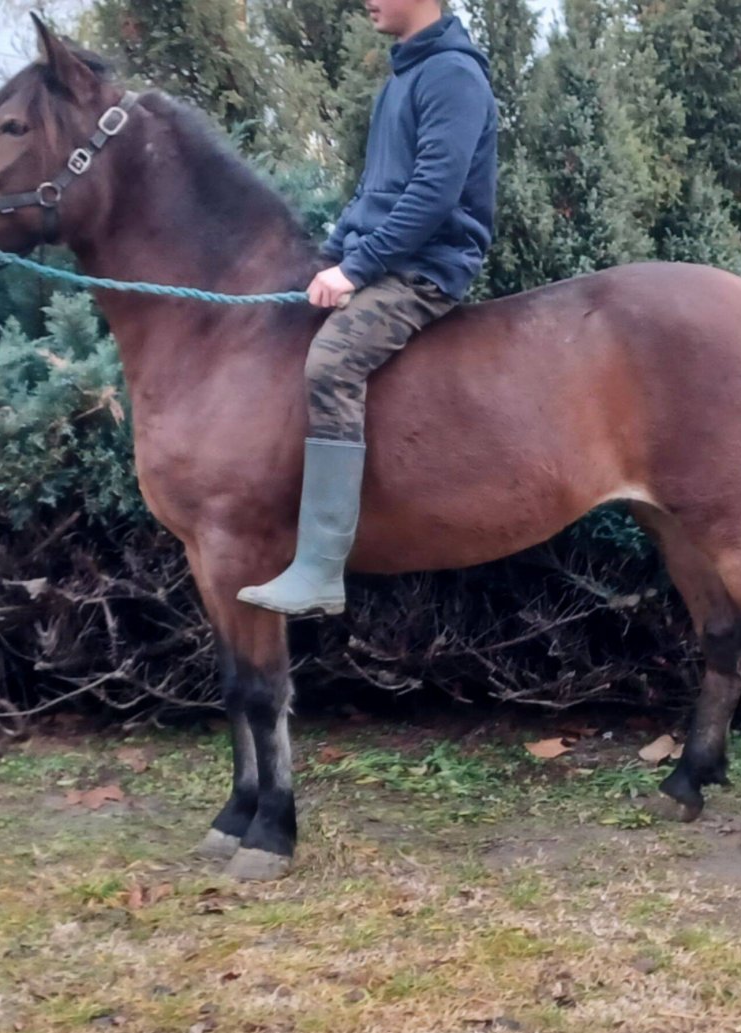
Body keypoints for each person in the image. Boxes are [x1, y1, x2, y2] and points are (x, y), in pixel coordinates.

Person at [237, 0, 498, 616]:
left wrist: (356, 267)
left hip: (426, 269)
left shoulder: (453, 75)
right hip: (389, 260)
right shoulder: (405, 74)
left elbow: (434, 193)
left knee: (332, 361)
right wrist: (329, 257)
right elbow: (372, 190)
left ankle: (322, 569)